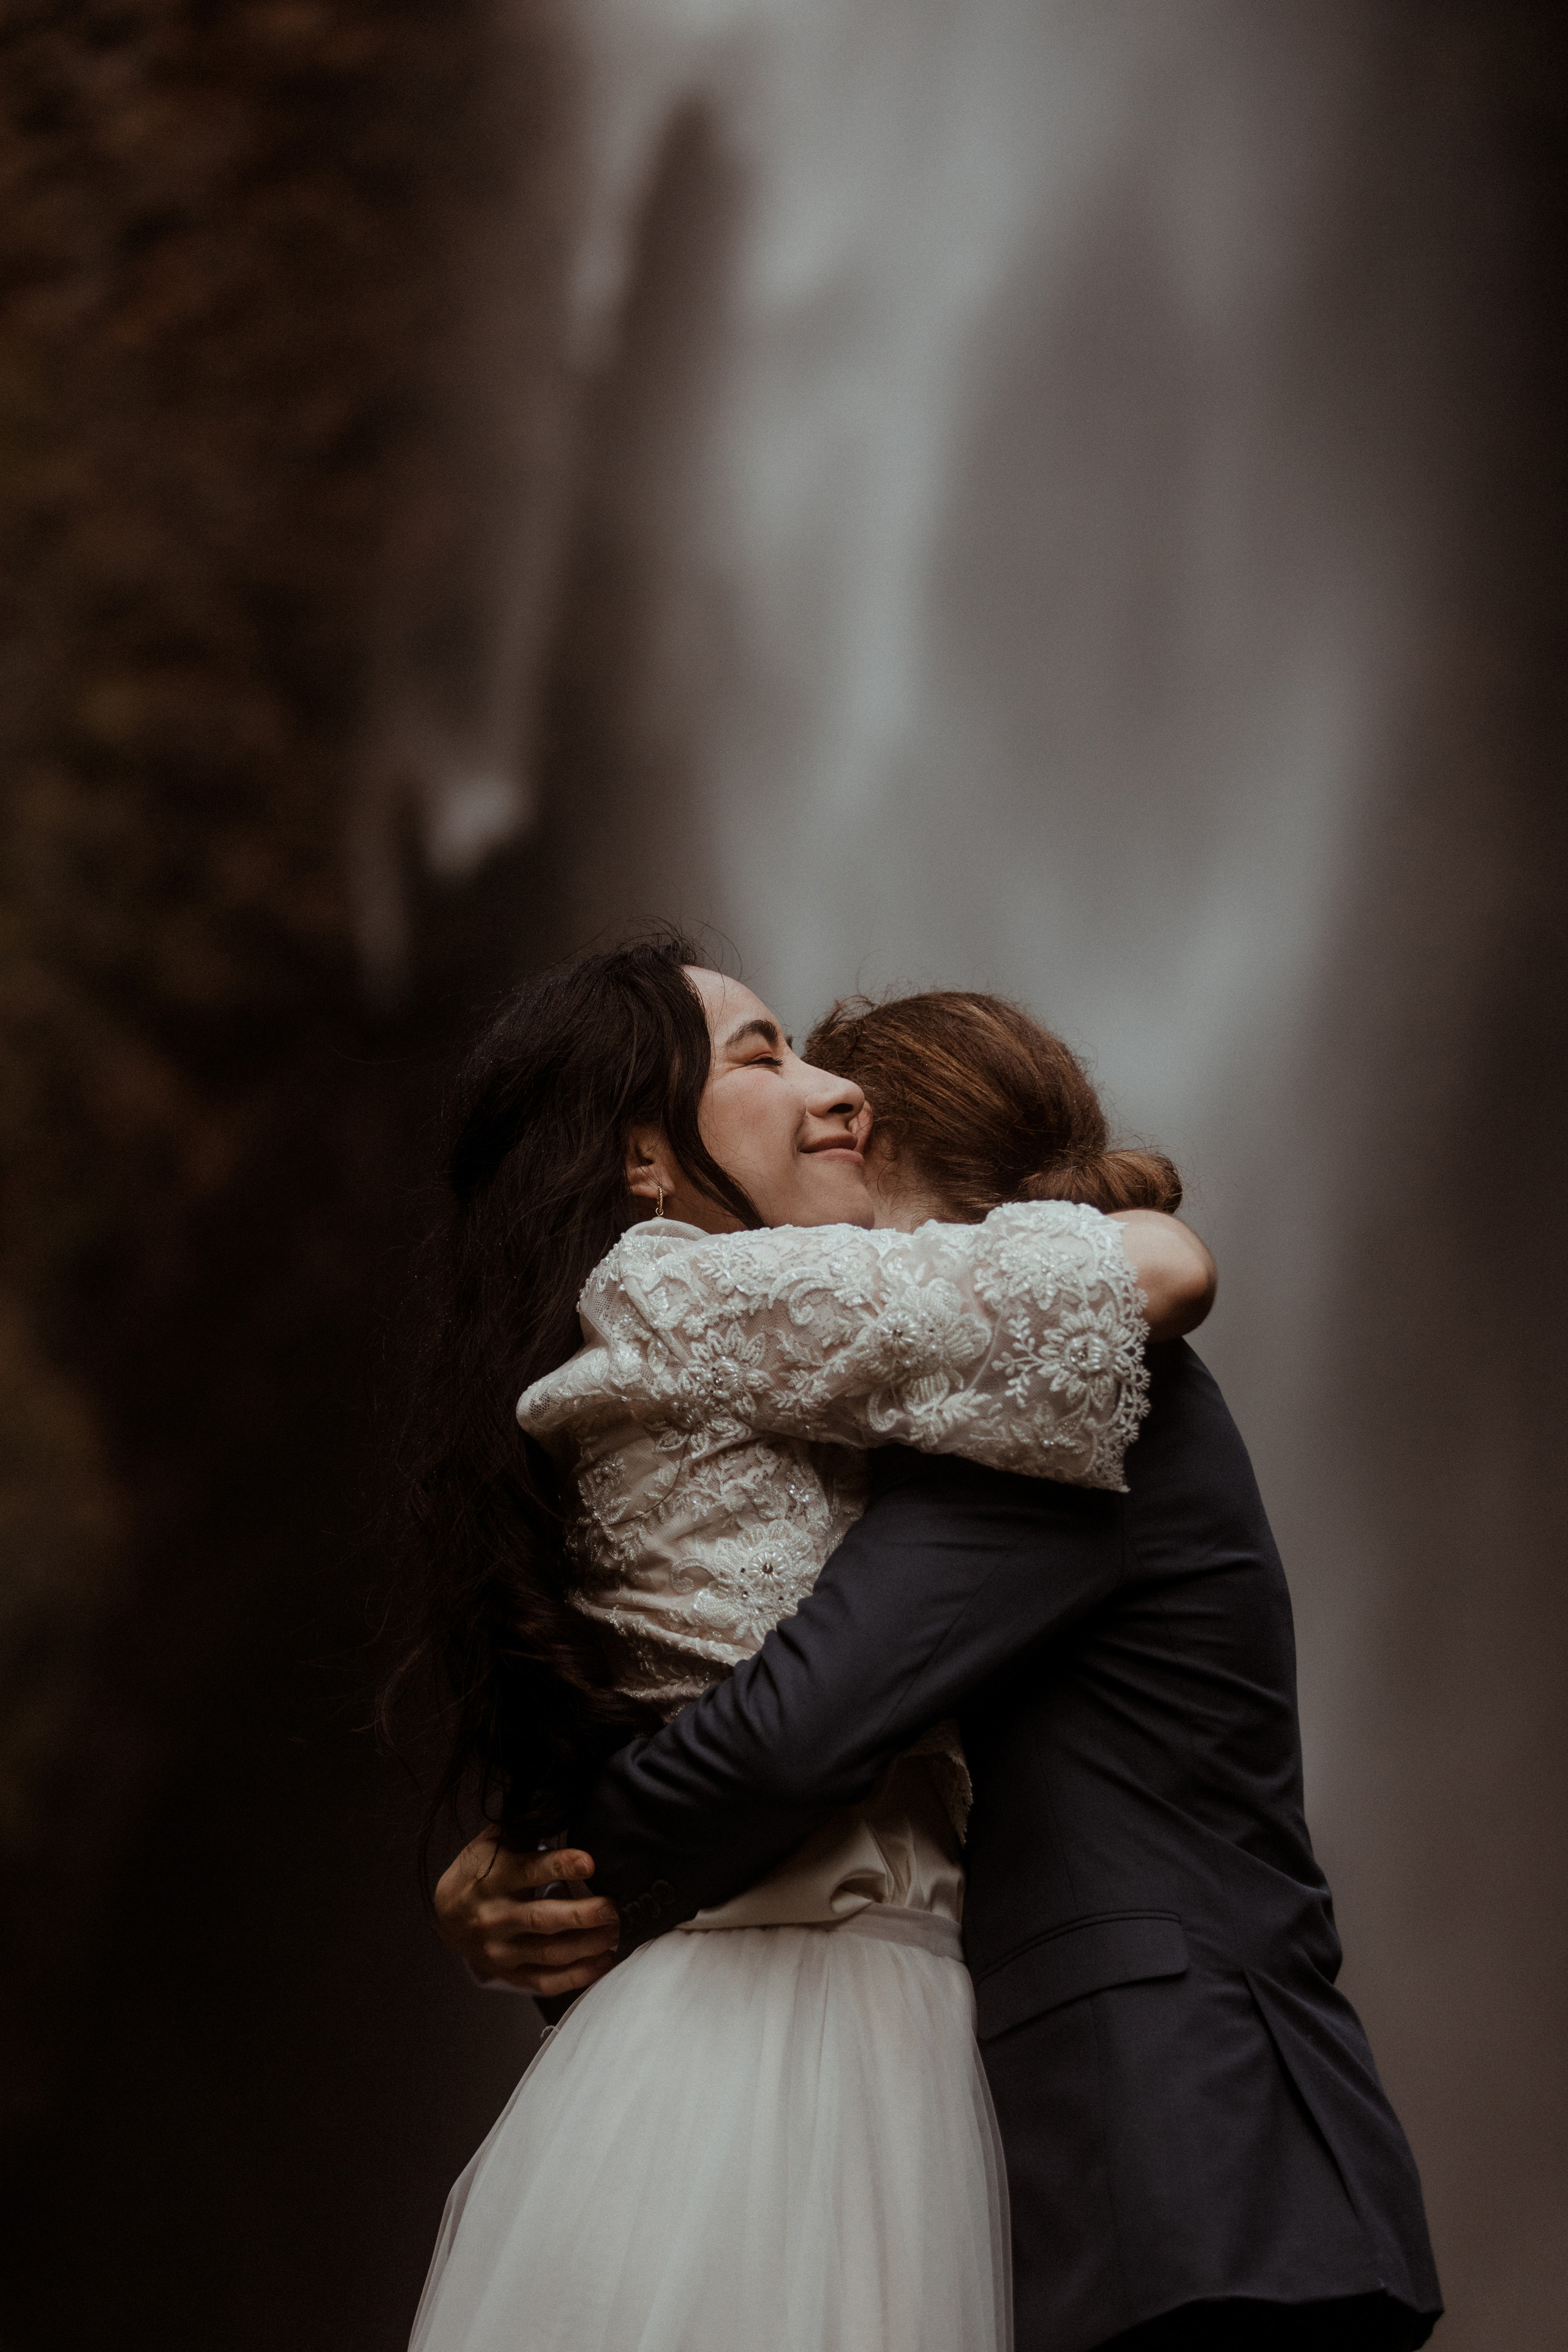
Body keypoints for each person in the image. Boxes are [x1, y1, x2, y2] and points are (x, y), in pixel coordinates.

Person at [440, 990, 1444, 2352]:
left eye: (846, 1108)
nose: (823, 1117)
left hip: (1177, 2165)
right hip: (1155, 2166)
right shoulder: (933, 1407)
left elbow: (798, 1725)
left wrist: (564, 1876)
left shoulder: (1060, 1401)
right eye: (775, 1068)